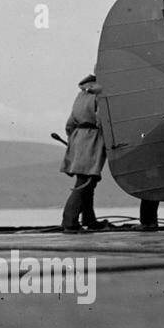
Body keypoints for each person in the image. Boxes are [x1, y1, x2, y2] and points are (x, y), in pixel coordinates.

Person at [60, 74, 108, 234]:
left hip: (77, 138)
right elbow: (103, 120)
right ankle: (70, 222)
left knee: (89, 180)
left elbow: (70, 123)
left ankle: (89, 219)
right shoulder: (100, 95)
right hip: (93, 138)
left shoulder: (81, 94)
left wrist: (75, 139)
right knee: (85, 181)